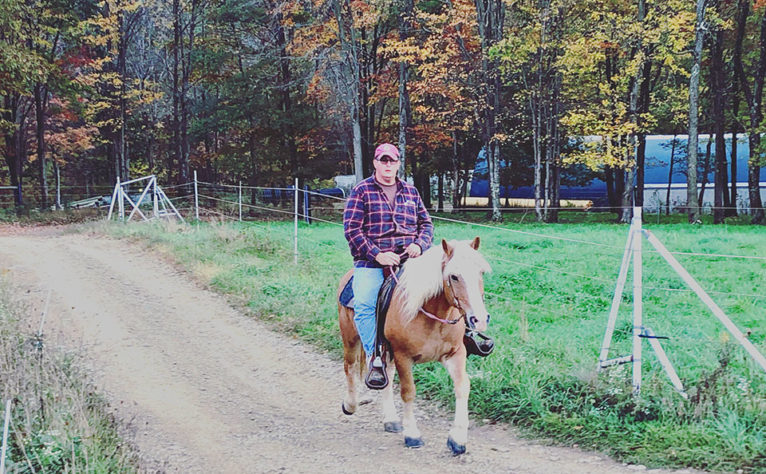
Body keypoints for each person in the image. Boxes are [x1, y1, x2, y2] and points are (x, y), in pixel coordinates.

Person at [343, 143, 434, 390]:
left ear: (397, 163)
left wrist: (419, 245)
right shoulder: (361, 191)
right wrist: (377, 254)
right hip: (371, 263)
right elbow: (351, 230)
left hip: (409, 260)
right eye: (383, 161)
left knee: (446, 285)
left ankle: (463, 336)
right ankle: (374, 358)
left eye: (392, 161)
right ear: (375, 163)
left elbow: (427, 224)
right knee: (364, 303)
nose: (387, 165)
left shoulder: (411, 192)